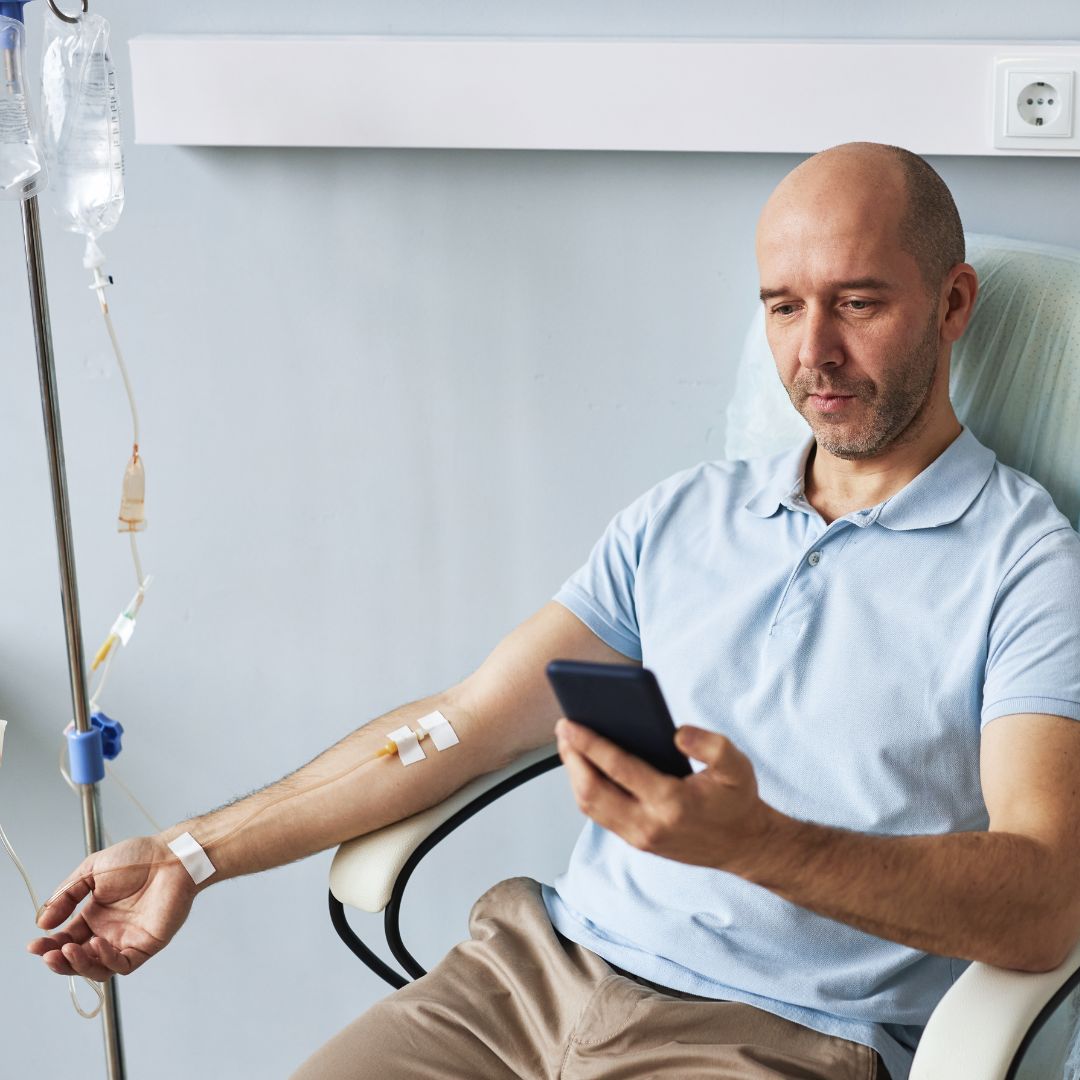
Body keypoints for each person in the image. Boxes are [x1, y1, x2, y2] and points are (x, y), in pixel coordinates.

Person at [28, 142, 1080, 1080]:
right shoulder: (686, 516)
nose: (814, 355)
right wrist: (191, 854)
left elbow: (1044, 901)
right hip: (524, 985)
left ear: (951, 305)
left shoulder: (1026, 566)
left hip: (775, 1035)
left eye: (858, 303)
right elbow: (456, 725)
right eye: (782, 306)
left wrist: (755, 842)